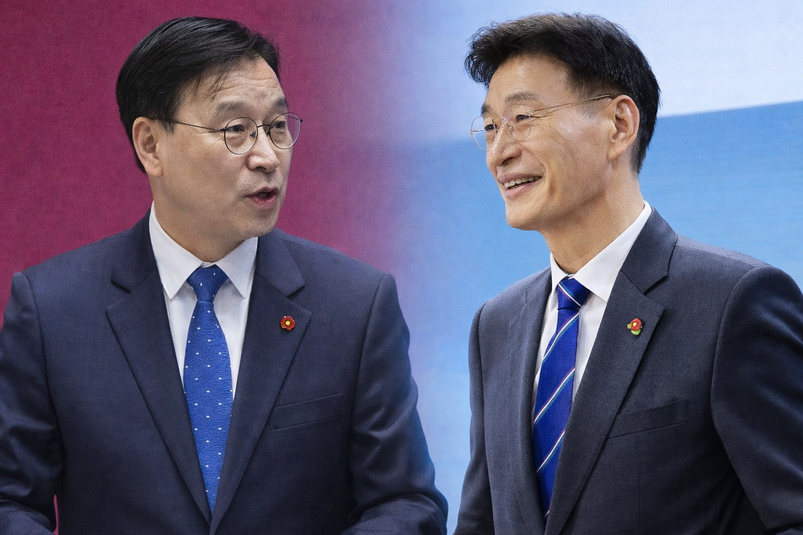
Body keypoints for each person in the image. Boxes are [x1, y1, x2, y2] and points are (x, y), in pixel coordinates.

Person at [0, 16, 446, 535]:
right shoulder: (53, 310)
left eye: (277, 127)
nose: (267, 156)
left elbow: (405, 504)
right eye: (235, 130)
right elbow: (10, 503)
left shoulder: (354, 305)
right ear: (150, 144)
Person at [454, 13, 803, 535]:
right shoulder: (496, 325)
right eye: (489, 127)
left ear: (619, 125)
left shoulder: (733, 303)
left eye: (522, 118)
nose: (499, 152)